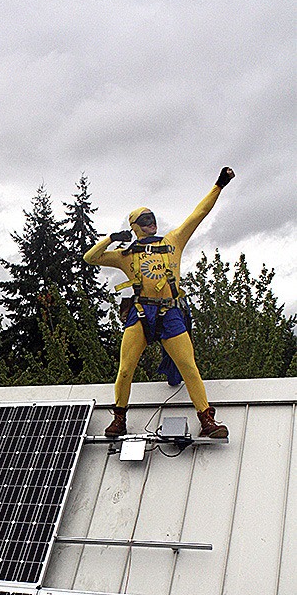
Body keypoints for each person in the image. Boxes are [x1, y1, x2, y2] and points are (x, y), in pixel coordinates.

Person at [83, 168, 235, 438]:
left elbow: (198, 214)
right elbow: (90, 258)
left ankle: (207, 419)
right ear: (135, 226)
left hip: (170, 312)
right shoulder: (125, 255)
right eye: (144, 220)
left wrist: (219, 185)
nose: (151, 223)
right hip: (141, 313)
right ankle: (119, 418)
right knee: (126, 367)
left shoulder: (173, 241)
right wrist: (111, 239)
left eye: (152, 218)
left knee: (188, 365)